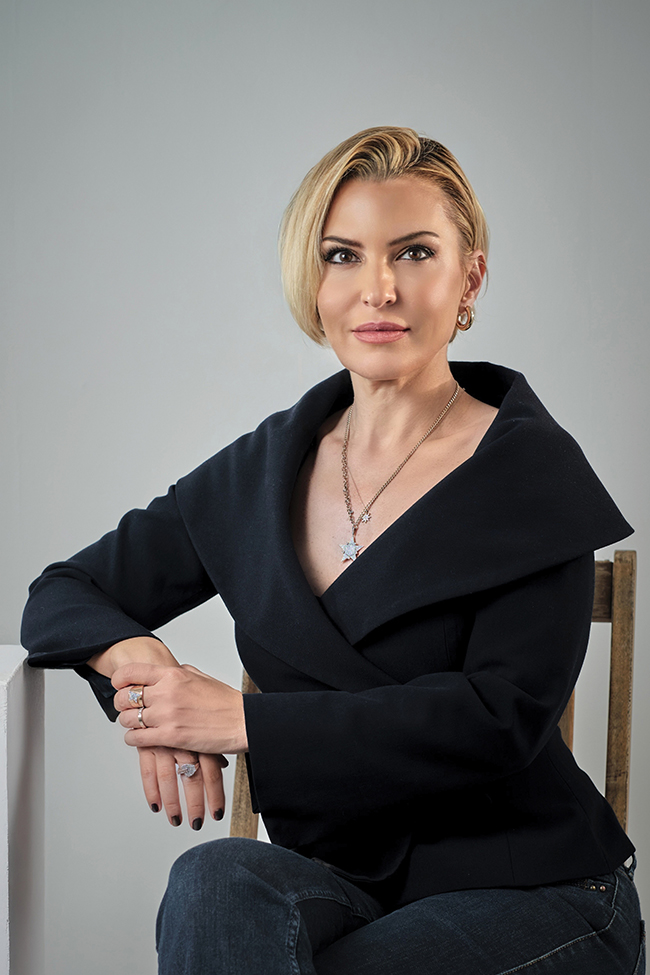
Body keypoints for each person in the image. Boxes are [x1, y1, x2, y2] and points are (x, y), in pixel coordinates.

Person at [21, 127, 645, 974]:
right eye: (342, 255)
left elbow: (495, 719)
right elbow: (65, 591)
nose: (377, 288)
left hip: (536, 889)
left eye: (414, 252)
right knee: (213, 879)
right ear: (311, 281)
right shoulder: (259, 474)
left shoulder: (529, 468)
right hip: (350, 885)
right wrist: (142, 666)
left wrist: (242, 721)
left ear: (470, 277)